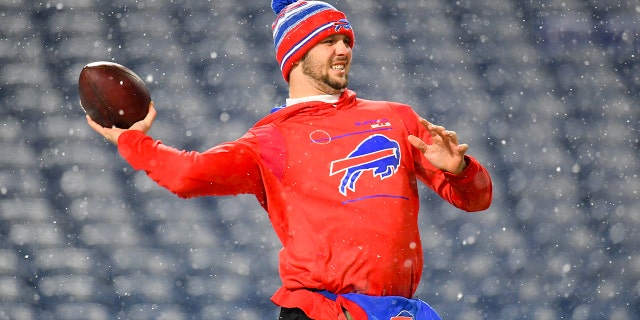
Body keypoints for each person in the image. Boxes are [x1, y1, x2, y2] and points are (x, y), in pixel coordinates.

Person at [87, 0, 493, 319]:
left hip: (395, 312)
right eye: (329, 41)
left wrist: (459, 169)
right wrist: (133, 142)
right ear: (295, 53)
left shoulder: (396, 118)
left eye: (347, 41)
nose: (343, 50)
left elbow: (477, 199)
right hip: (318, 312)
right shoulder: (270, 140)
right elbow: (187, 176)